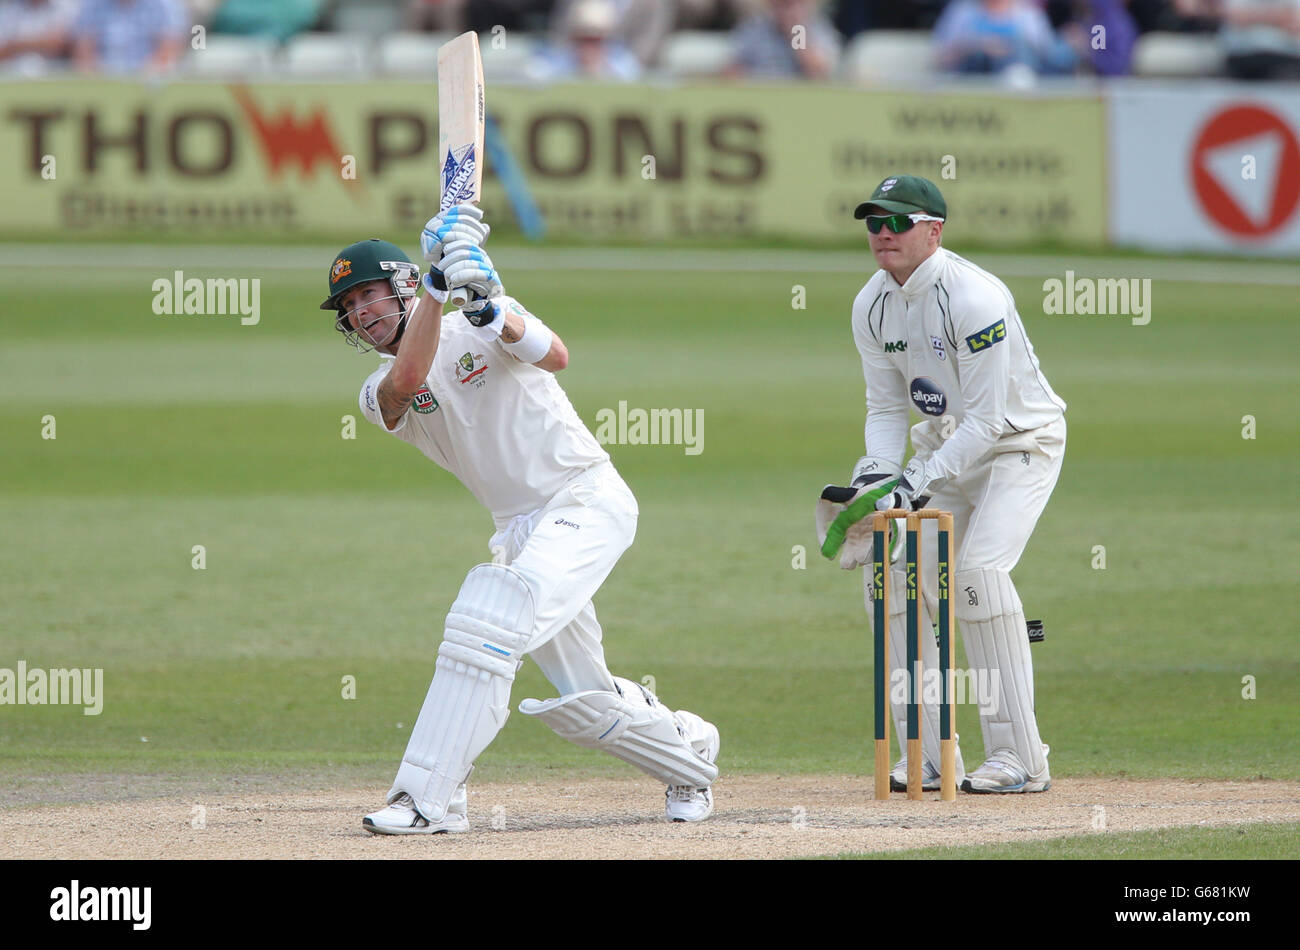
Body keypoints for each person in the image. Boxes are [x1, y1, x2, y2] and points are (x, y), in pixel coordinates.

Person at [320, 209, 720, 833]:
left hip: (585, 499)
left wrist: (491, 310)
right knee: (583, 699)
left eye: (368, 293)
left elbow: (556, 355)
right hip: (519, 529)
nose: (361, 312)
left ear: (396, 284)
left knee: (487, 620)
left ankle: (428, 799)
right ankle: (689, 753)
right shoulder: (375, 393)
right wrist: (436, 285)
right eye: (348, 306)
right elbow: (410, 376)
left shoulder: (478, 323)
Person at [817, 175, 1067, 794]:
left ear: (934, 230)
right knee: (899, 582)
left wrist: (913, 482)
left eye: (897, 222)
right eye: (874, 223)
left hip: (1019, 444)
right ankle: (928, 754)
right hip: (941, 450)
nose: (882, 234)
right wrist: (877, 475)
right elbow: (884, 410)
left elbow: (985, 419)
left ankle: (1020, 757)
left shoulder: (975, 298)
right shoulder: (870, 304)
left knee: (978, 575)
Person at [71, 0, 189, 75]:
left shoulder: (165, 5)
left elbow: (167, 54)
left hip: (149, 88)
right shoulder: (91, 4)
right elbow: (84, 54)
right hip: (100, 87)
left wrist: (135, 82)